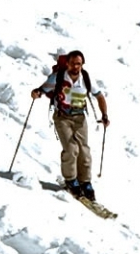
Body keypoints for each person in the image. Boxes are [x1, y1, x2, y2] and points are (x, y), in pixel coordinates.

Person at [30, 51, 109, 200]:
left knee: (84, 151)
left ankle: (85, 182)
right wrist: (37, 93)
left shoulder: (86, 78)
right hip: (62, 117)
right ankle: (71, 180)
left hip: (80, 118)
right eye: (73, 63)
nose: (75, 66)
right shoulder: (59, 76)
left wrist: (104, 115)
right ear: (67, 63)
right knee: (71, 148)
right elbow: (43, 89)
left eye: (78, 63)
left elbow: (99, 96)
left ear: (82, 64)